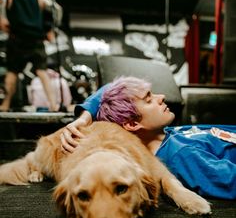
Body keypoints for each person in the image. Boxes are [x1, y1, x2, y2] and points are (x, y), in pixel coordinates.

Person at [60, 76, 236, 200]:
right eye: (149, 99)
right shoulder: (181, 154)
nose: (162, 97)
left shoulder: (167, 135)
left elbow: (108, 88)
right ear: (132, 124)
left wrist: (84, 118)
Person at [0, 0, 63, 112]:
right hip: (36, 39)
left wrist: (2, 18)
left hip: (17, 39)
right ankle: (53, 105)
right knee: (42, 71)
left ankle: (5, 105)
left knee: (12, 72)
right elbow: (57, 9)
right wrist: (50, 28)